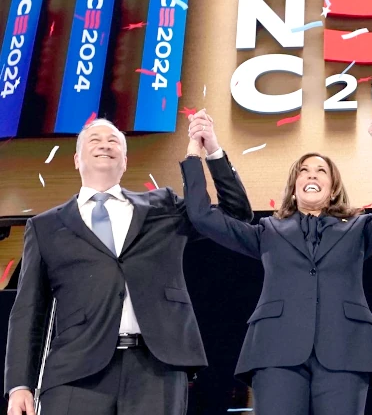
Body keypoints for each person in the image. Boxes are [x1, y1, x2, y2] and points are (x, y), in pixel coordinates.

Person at [4, 115, 253, 415]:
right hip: (75, 374)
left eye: (114, 142)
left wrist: (210, 151)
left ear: (124, 161)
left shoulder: (162, 207)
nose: (105, 145)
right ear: (76, 159)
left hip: (156, 369)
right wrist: (20, 385)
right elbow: (29, 312)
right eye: (94, 140)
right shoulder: (45, 227)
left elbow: (236, 214)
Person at [180, 109, 372, 415]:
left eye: (321, 171)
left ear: (332, 188)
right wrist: (200, 151)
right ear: (294, 187)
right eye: (304, 171)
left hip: (346, 351)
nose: (311, 175)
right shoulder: (267, 232)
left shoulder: (360, 229)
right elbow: (202, 216)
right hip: (275, 351)